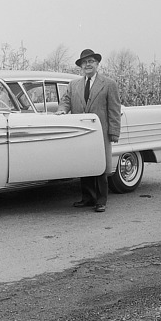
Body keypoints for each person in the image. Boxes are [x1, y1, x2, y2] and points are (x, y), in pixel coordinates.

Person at [56, 48, 121, 212]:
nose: (87, 65)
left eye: (91, 61)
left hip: (101, 133)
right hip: (82, 133)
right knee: (85, 164)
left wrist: (114, 132)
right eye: (84, 62)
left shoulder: (109, 84)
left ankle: (101, 200)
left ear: (97, 64)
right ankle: (87, 198)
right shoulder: (74, 85)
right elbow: (66, 101)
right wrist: (62, 110)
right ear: (81, 66)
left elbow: (114, 110)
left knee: (101, 167)